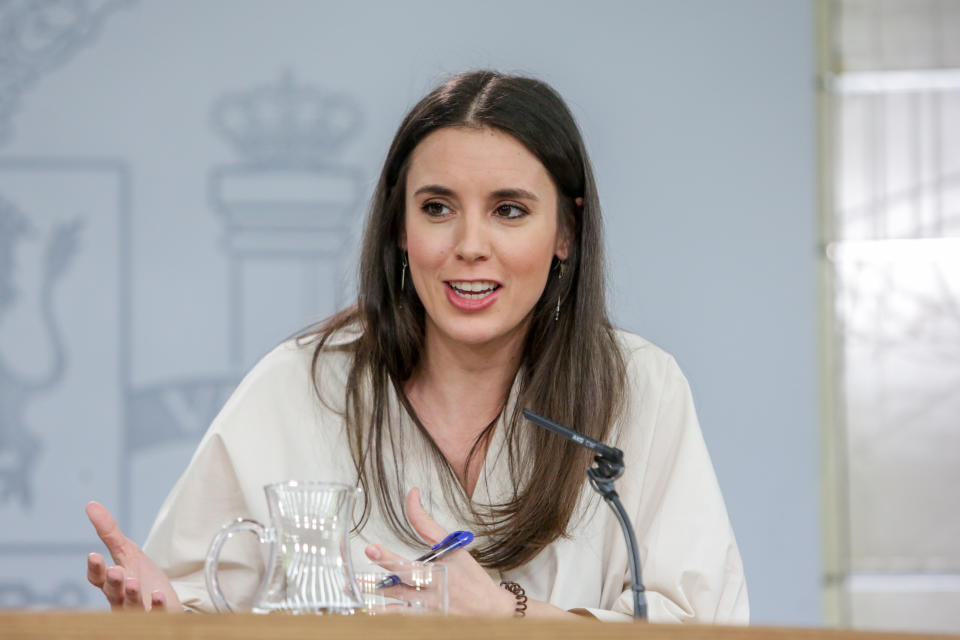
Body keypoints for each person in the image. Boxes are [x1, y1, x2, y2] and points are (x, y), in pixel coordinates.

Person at [85, 70, 748, 622]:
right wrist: (166, 620)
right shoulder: (300, 385)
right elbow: (203, 603)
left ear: (565, 234)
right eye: (437, 207)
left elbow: (704, 624)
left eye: (509, 210)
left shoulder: (639, 389)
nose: (468, 245)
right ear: (401, 229)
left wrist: (505, 616)